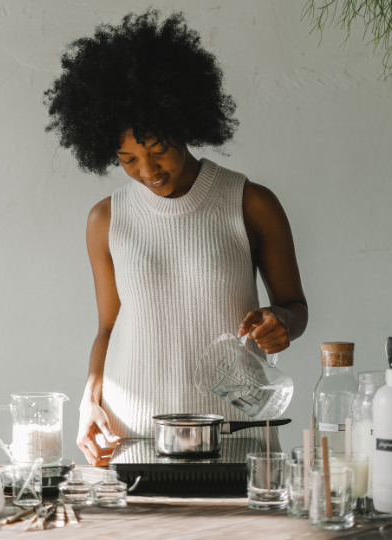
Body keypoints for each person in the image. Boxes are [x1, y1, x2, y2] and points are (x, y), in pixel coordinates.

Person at [44, 9, 308, 466]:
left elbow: (295, 309)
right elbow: (108, 328)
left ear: (183, 122)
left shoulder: (251, 202)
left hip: (237, 439)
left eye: (157, 150)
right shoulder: (106, 219)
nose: (148, 172)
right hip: (134, 440)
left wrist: (279, 322)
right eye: (127, 159)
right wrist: (90, 400)